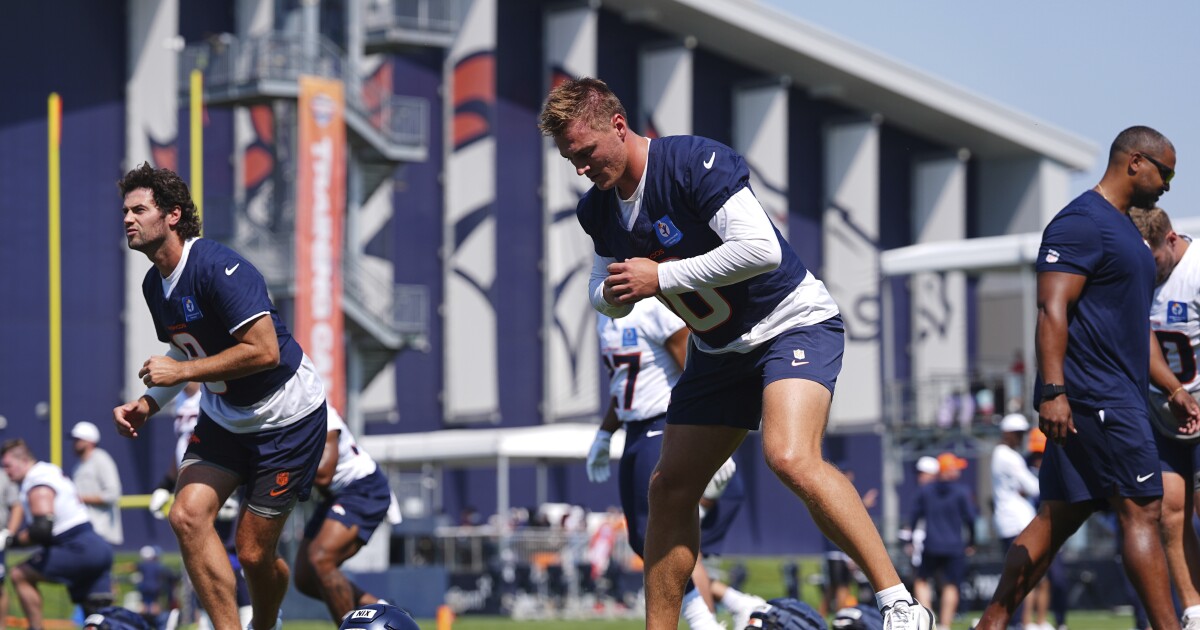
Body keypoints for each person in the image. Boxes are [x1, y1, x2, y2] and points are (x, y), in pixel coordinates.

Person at [542, 76, 932, 630]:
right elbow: (599, 288)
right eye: (570, 159)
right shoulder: (600, 209)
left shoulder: (690, 162)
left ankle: (900, 604)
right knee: (669, 488)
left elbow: (761, 249)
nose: (581, 168)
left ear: (619, 126)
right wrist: (612, 295)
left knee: (789, 456)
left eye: (586, 152)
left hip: (790, 322)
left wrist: (660, 277)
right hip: (718, 349)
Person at [976, 126, 1195, 630]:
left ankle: (989, 625)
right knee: (1143, 509)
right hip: (1097, 397)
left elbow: (1135, 326)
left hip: (1112, 396)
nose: (1167, 185)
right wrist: (1053, 392)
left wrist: (1173, 388)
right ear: (1135, 162)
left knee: (1059, 517)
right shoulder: (1081, 222)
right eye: (1165, 172)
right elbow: (1051, 309)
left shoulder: (1125, 230)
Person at [112, 163, 328, 630]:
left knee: (252, 552)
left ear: (172, 215)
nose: (127, 219)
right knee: (186, 517)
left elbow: (265, 351)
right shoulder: (154, 284)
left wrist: (181, 371)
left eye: (139, 210)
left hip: (286, 418)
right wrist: (149, 403)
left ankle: (265, 625)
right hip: (226, 417)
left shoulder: (217, 266)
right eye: (125, 211)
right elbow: (186, 347)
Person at [585, 298, 766, 629]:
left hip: (666, 423)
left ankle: (704, 621)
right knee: (642, 538)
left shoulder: (653, 308)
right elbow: (625, 384)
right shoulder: (605, 317)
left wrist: (712, 440)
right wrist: (605, 432)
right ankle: (726, 608)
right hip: (635, 430)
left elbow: (696, 371)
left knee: (661, 535)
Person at [1131, 205, 1200, 629]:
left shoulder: (1195, 271)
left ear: (1171, 240)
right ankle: (1194, 611)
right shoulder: (1136, 276)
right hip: (1162, 414)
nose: (1148, 267)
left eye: (1153, 257)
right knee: (1168, 513)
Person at [149, 381, 253, 630]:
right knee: (199, 555)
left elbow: (234, 436)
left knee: (232, 554)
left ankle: (251, 617)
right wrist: (166, 484)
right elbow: (184, 445)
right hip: (192, 482)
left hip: (219, 480)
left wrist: (233, 486)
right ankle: (210, 620)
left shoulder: (215, 391)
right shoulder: (180, 400)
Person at [294, 403, 399, 622]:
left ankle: (351, 627)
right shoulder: (279, 414)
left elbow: (323, 475)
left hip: (362, 487)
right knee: (305, 578)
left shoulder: (320, 414)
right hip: (335, 495)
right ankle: (381, 609)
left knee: (321, 559)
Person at [2, 438, 115, 628]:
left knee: (19, 574)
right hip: (96, 546)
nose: (6, 471)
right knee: (96, 619)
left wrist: (12, 541)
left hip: (77, 547)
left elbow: (42, 529)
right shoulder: (49, 471)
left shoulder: (37, 480)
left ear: (23, 460)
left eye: (8, 465)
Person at [905, 453, 976, 630]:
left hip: (931, 544)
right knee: (951, 585)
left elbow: (914, 517)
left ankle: (928, 620)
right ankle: (945, 625)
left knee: (921, 580)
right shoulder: (962, 491)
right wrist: (971, 542)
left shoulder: (926, 490)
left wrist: (910, 539)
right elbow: (971, 519)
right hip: (954, 546)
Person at [990, 413, 1042, 629]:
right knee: (1019, 575)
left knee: (1017, 575)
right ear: (1007, 433)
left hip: (1011, 521)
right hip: (1015, 522)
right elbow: (1034, 487)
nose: (1021, 438)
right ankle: (1014, 622)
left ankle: (1015, 622)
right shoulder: (1009, 457)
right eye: (1017, 434)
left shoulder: (1002, 455)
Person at [69, 421, 124, 546]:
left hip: (101, 530)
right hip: (85, 530)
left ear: (90, 441)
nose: (74, 443)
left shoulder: (101, 459)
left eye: (78, 439)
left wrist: (80, 498)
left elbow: (113, 494)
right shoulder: (77, 466)